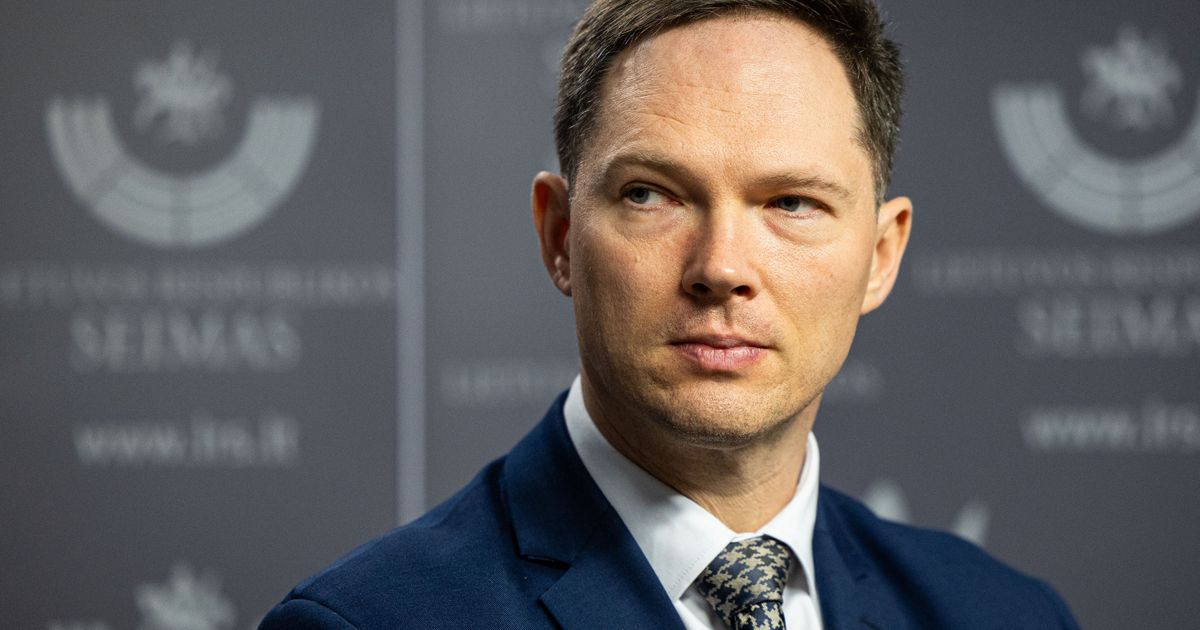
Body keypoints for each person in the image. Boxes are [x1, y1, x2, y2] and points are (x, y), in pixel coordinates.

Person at [262, 1, 1080, 628]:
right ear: (560, 236)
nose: (721, 268)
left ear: (881, 254)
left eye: (791, 203)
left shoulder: (1005, 616)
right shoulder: (367, 623)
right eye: (651, 195)